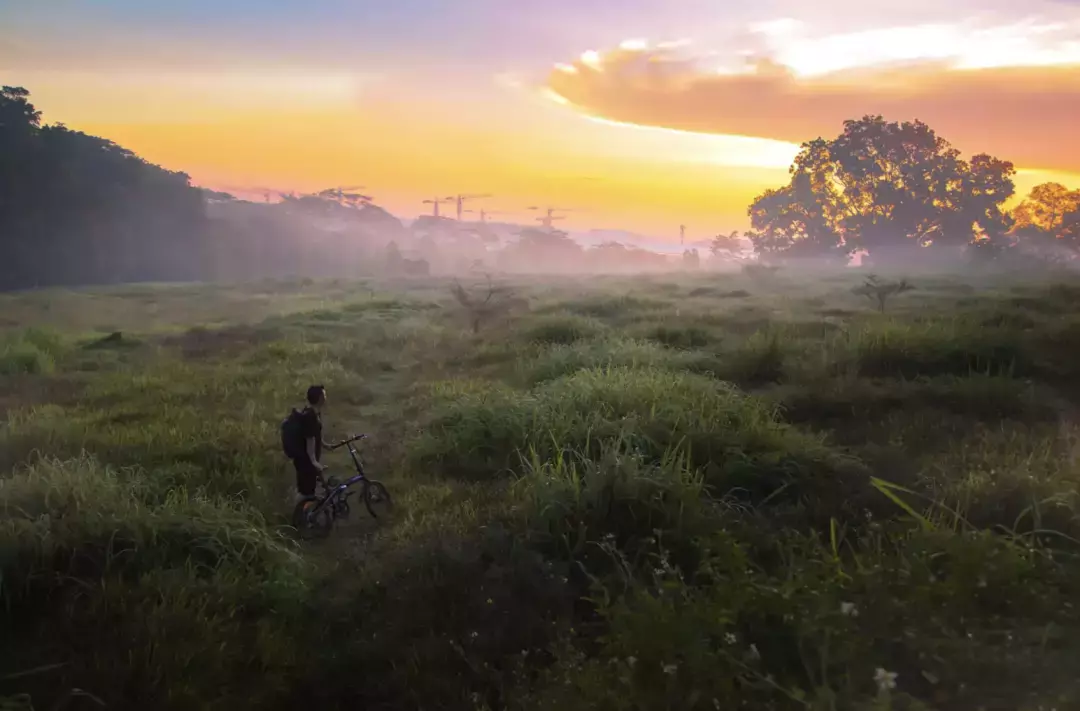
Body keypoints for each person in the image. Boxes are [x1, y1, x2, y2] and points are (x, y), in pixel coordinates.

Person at [293, 384, 339, 498]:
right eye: (324, 395)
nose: (326, 397)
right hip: (306, 461)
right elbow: (310, 438)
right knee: (307, 492)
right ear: (319, 398)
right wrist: (313, 461)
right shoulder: (310, 416)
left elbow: (315, 434)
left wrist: (324, 445)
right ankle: (305, 507)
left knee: (310, 487)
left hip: (307, 458)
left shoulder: (314, 412)